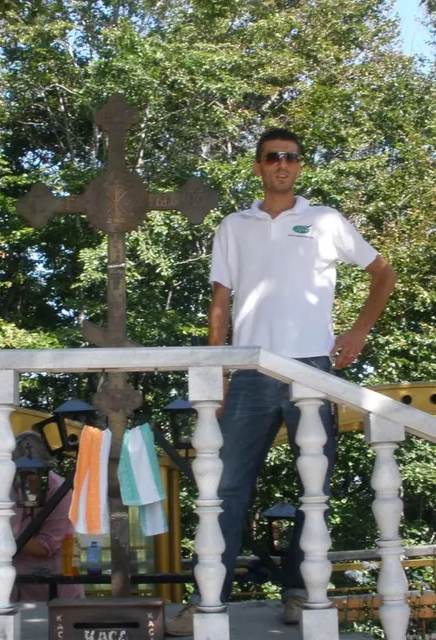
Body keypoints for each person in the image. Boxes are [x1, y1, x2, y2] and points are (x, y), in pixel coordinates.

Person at [166, 128, 397, 636]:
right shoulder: (234, 225)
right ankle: (205, 602)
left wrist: (358, 331)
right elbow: (220, 303)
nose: (282, 164)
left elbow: (383, 273)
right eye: (273, 157)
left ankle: (300, 594)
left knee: (314, 486)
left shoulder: (325, 220)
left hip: (311, 369)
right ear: (258, 166)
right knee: (224, 486)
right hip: (250, 370)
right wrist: (217, 371)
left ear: (300, 166)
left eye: (291, 157)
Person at [11, 431, 83, 601]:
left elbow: (44, 548)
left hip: (53, 593)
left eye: (34, 474)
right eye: (21, 473)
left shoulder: (59, 490)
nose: (29, 480)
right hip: (14, 590)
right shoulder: (5, 487)